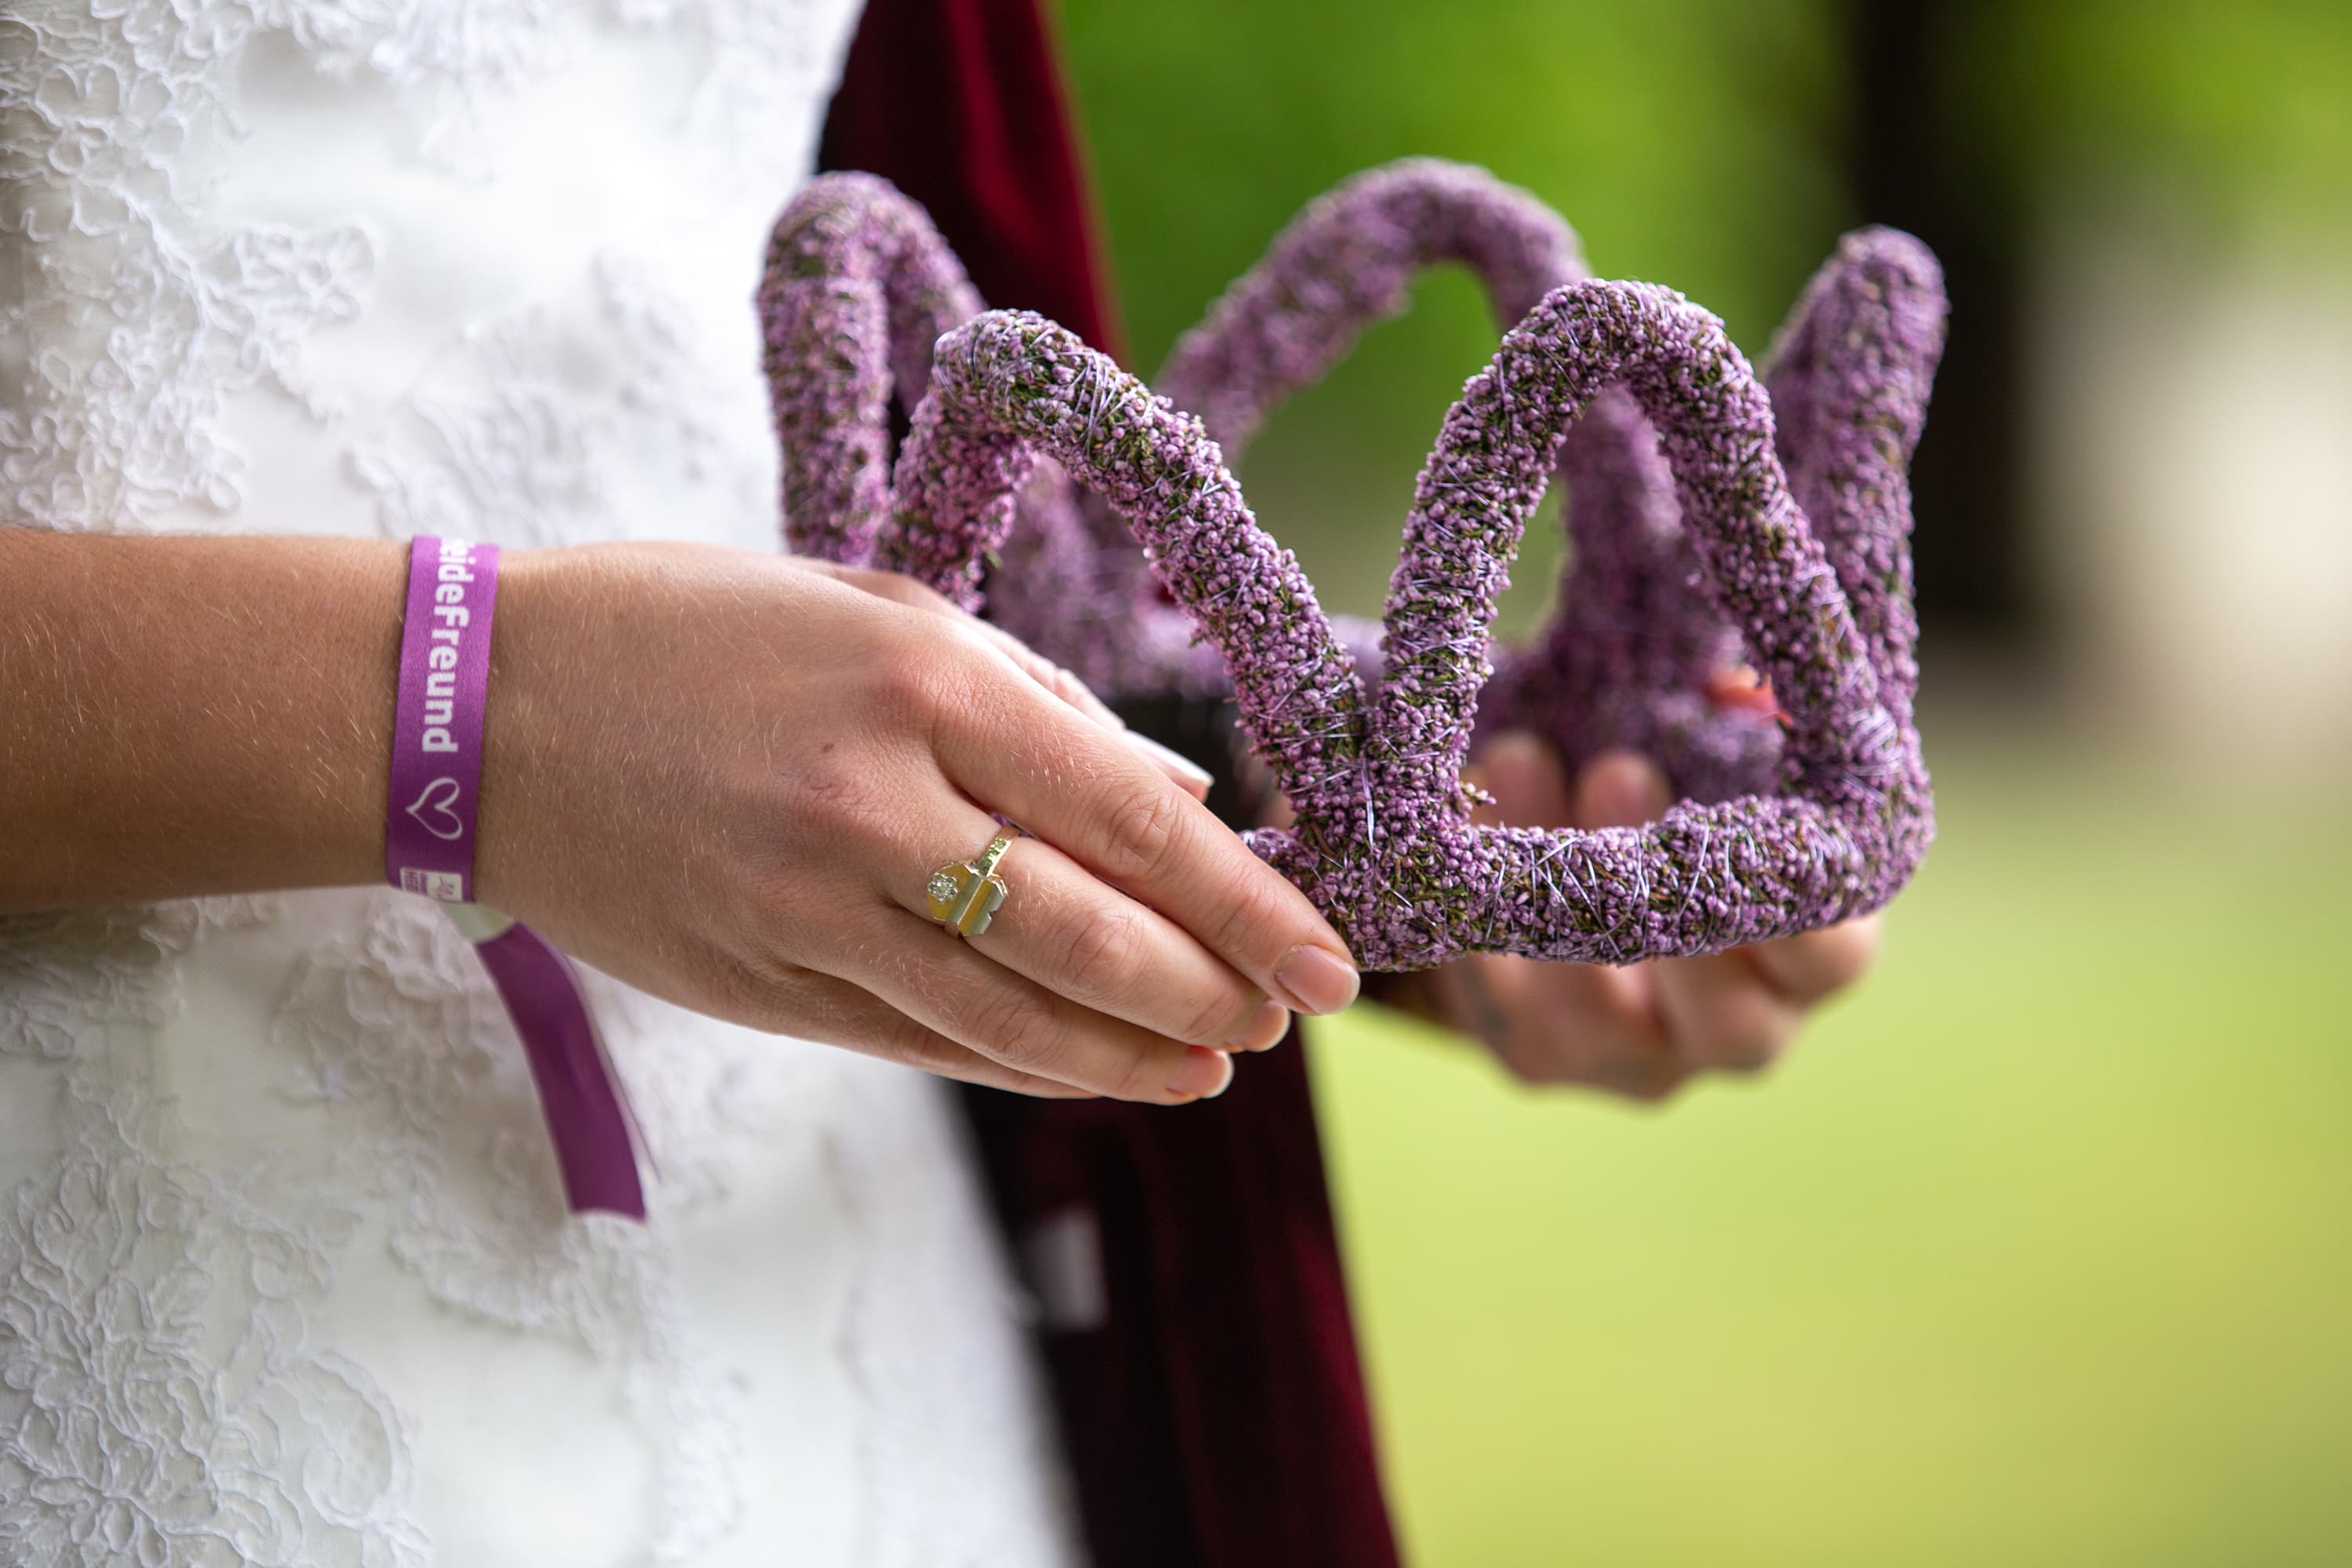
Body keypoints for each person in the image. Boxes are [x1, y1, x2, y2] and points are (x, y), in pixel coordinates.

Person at [0, 0, 1877, 1563]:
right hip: (170, 1338)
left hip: (888, 1331)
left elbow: (974, 510)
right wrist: (474, 711)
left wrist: (1389, 864)